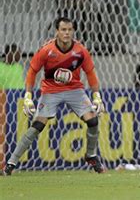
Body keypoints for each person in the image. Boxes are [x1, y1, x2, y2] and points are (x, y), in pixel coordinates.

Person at [1, 17, 106, 176]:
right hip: (51, 90)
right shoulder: (46, 50)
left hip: (74, 90)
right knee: (37, 126)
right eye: (63, 30)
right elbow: (32, 72)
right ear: (57, 31)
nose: (67, 33)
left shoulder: (80, 51)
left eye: (70, 30)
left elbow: (90, 72)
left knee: (93, 120)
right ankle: (11, 163)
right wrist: (28, 97)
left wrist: (97, 96)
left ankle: (91, 155)